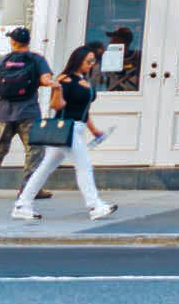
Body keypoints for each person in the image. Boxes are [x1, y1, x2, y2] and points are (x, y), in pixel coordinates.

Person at [12, 45, 117, 222]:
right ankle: (94, 206)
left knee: (45, 168)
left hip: (76, 128)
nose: (91, 64)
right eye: (88, 61)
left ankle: (23, 204)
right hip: (67, 129)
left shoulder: (83, 79)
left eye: (93, 61)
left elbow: (84, 108)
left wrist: (93, 130)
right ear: (78, 60)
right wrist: (58, 89)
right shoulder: (65, 79)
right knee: (83, 166)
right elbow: (56, 106)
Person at [0, 26, 52, 202]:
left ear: (13, 42)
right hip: (29, 112)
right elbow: (45, 80)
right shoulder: (36, 59)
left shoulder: (3, 61)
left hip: (4, 113)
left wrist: (3, 87)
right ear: (28, 42)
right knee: (34, 151)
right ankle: (29, 188)